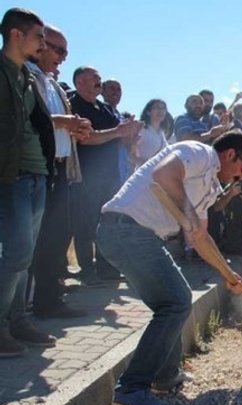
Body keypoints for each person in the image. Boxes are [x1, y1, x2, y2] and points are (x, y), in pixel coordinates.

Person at [96, 131, 242, 405]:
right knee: (176, 301)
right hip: (125, 229)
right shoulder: (198, 153)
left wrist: (228, 275)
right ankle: (131, 388)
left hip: (139, 236)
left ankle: (166, 376)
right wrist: (190, 216)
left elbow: (200, 237)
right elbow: (163, 174)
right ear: (230, 154)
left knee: (173, 301)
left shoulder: (208, 187)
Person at [0, 7, 59, 356]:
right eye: (39, 37)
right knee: (16, 255)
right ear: (16, 35)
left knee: (25, 255)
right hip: (12, 176)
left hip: (37, 175)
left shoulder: (25, 76)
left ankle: (18, 322)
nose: (43, 43)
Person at [28, 24, 92, 319]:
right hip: (34, 168)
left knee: (56, 239)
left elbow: (55, 123)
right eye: (58, 49)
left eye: (66, 51)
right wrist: (64, 122)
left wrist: (74, 128)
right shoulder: (24, 78)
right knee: (27, 244)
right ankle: (19, 311)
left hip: (61, 169)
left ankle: (47, 302)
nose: (63, 57)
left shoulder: (53, 84)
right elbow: (31, 118)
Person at [70, 66, 142, 285]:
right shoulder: (73, 104)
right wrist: (118, 132)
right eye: (96, 78)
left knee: (107, 224)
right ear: (80, 81)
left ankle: (107, 269)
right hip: (87, 175)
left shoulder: (105, 109)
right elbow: (86, 138)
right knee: (86, 225)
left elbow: (120, 139)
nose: (99, 82)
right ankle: (87, 271)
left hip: (112, 176)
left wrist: (131, 132)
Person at [134, 99, 170, 169]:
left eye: (163, 108)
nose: (161, 111)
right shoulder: (141, 129)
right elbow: (129, 154)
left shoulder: (162, 133)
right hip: (143, 173)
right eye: (157, 107)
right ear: (148, 112)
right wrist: (147, 164)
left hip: (158, 175)